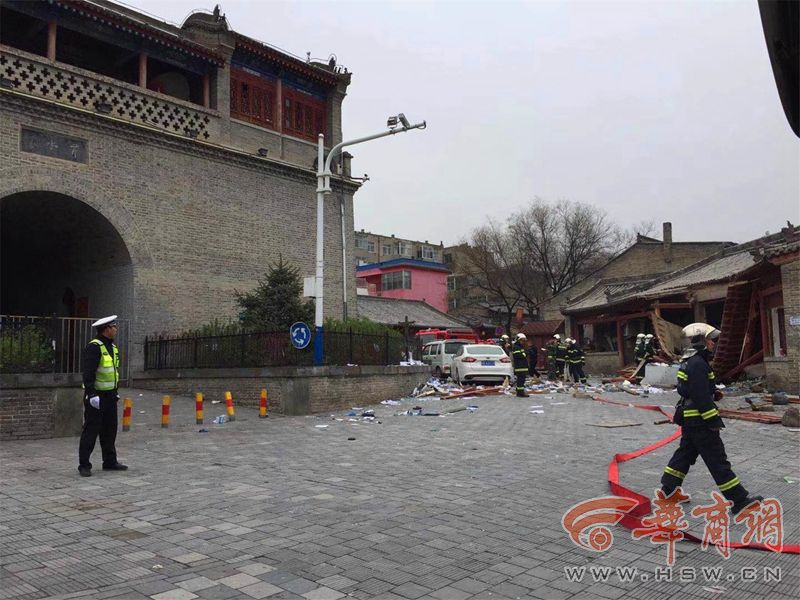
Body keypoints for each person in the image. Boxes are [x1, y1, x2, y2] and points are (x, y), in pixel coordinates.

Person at [660, 323, 761, 514]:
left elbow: (691, 389)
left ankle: (668, 492)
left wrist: (713, 392)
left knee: (684, 455)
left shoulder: (691, 361)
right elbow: (700, 396)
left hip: (691, 420)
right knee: (717, 460)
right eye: (710, 340)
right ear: (701, 341)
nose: (713, 343)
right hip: (700, 421)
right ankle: (739, 501)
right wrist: (713, 420)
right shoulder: (698, 364)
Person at [78, 315, 127, 477]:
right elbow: (88, 373)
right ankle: (84, 465)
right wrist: (91, 394)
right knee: (91, 430)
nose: (116, 329)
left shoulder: (112, 347)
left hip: (110, 396)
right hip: (96, 397)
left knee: (110, 430)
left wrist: (115, 392)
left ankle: (110, 461)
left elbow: (113, 372)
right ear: (106, 329)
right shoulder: (94, 347)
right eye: (114, 327)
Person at [512, 333, 529, 397]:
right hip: (520, 367)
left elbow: (525, 354)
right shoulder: (516, 347)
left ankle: (520, 391)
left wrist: (525, 353)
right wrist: (525, 354)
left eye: (524, 340)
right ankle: (520, 393)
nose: (523, 342)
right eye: (522, 340)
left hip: (522, 366)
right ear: (518, 340)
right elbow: (518, 355)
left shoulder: (520, 347)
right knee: (521, 380)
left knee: (522, 380)